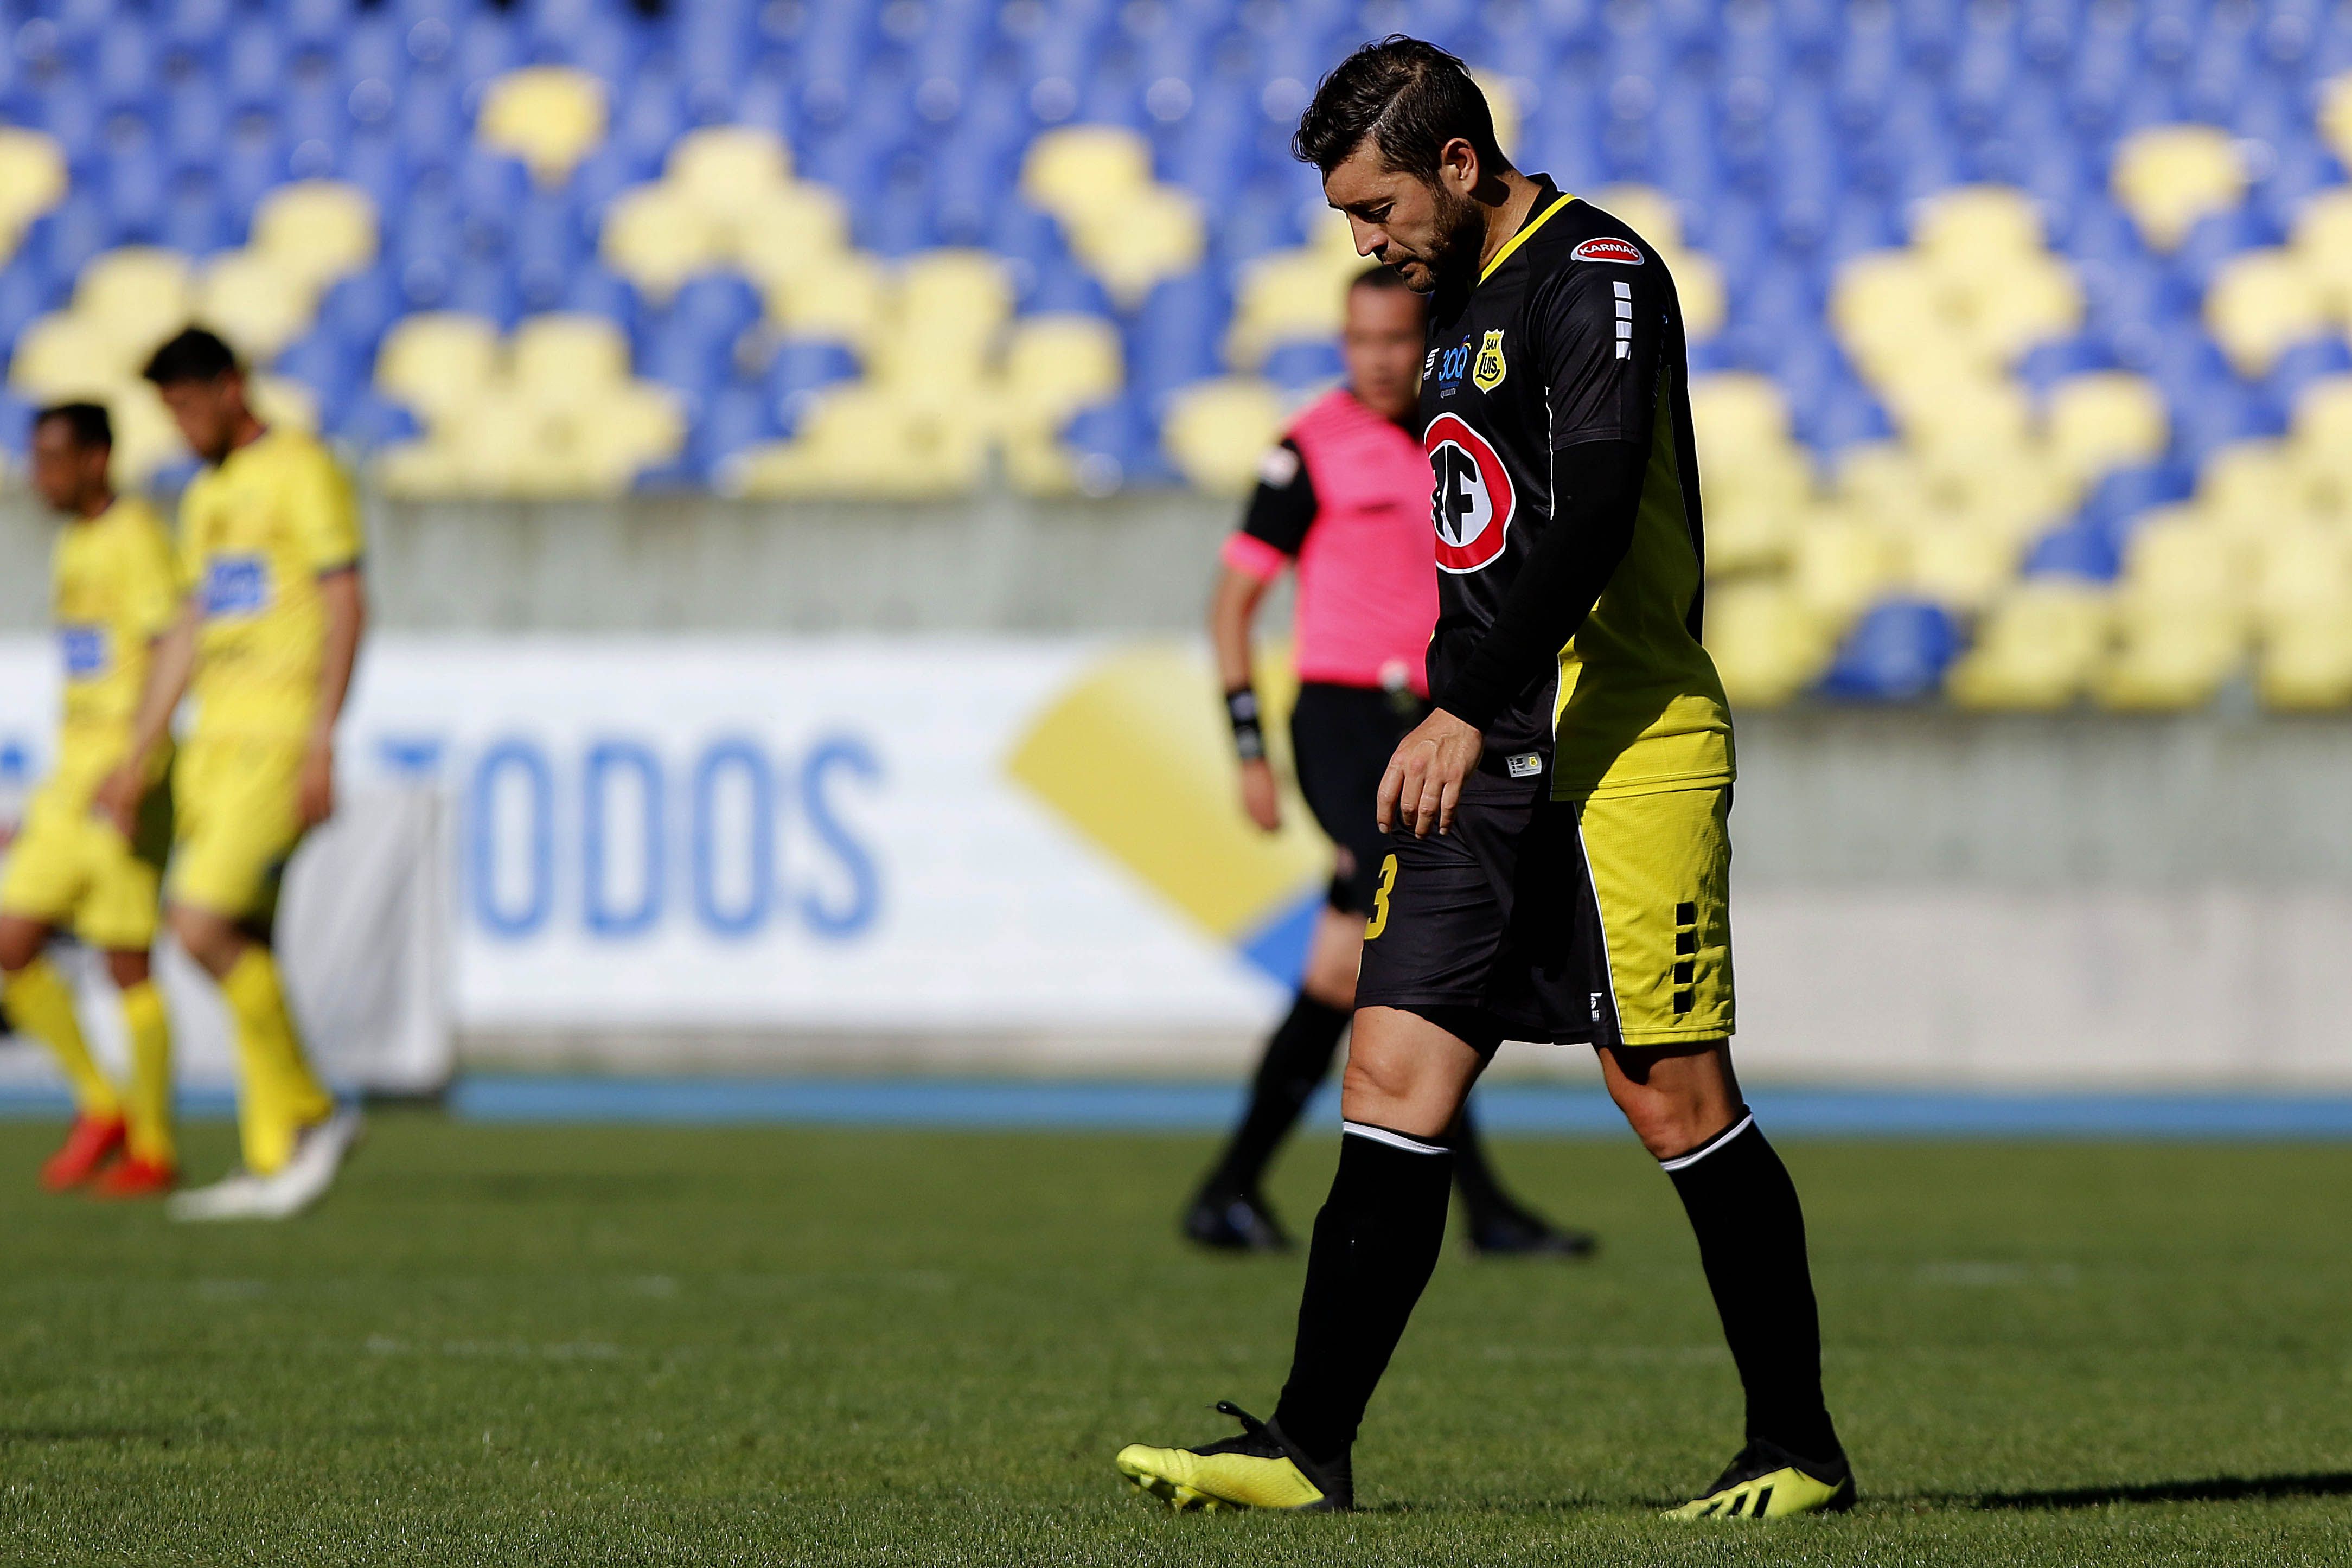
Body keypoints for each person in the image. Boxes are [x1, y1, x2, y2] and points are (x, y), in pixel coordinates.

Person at [1115, 39, 1852, 1519]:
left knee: (1674, 1096)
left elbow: (1581, 524)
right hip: (1486, 751)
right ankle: (1304, 1446)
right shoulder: (1448, 303)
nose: (1365, 242)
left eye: (1375, 207)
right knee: (1390, 1071)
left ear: (1457, 164)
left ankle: (1797, 1448)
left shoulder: (1601, 276)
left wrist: (1451, 699)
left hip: (1616, 744)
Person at [1188, 265, 1593, 1259]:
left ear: (1431, 341)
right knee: (1423, 934)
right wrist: (1249, 747)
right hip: (1338, 723)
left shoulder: (1465, 437)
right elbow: (1231, 607)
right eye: (1361, 343)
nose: (1379, 362)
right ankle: (1486, 1210)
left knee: (1345, 968)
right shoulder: (1309, 451)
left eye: (1398, 343)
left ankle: (1230, 1191)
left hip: (1432, 719)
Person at [96, 328, 367, 1223]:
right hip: (215, 745)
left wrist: (324, 736)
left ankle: (315, 1114)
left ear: (232, 387)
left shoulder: (302, 469)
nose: (177, 423)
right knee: (246, 941)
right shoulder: (206, 495)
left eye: (185, 402)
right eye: (166, 408)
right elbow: (187, 629)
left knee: (198, 924)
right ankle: (271, 1158)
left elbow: (343, 598)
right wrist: (140, 751)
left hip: (278, 737)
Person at [0, 403, 182, 1197]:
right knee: (10, 944)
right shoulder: (76, 540)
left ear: (99, 458)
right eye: (36, 459)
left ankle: (152, 1144)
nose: (41, 477)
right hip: (70, 779)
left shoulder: (135, 537)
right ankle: (100, 1103)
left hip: (119, 781)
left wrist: (138, 764)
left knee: (126, 965)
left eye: (54, 459)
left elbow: (172, 646)